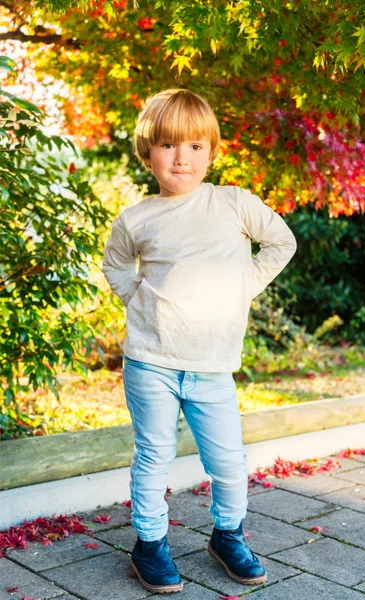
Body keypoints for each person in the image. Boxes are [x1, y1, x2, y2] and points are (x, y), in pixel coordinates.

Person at [102, 88, 297, 594]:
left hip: (213, 368)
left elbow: (282, 242)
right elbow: (117, 266)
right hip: (151, 362)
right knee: (153, 456)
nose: (181, 157)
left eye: (193, 146)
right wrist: (135, 299)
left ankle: (227, 535)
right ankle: (149, 544)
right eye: (167, 145)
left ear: (211, 152)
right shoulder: (136, 219)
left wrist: (243, 285)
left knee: (229, 462)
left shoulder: (232, 204)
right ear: (147, 153)